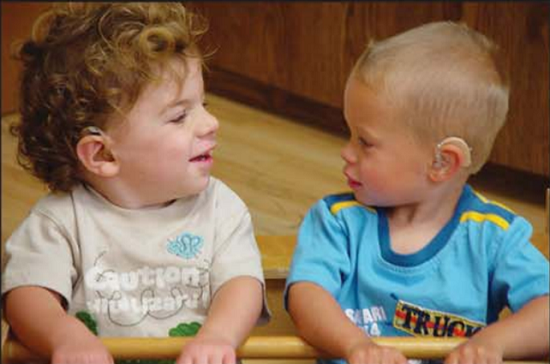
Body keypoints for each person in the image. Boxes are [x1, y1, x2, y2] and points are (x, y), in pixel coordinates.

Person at [2, 3, 269, 364]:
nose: (210, 123)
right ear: (102, 155)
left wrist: (219, 335)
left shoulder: (222, 208)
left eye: (202, 103)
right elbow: (26, 292)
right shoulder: (61, 221)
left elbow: (242, 284)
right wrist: (63, 336)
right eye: (179, 116)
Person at [284, 21, 549, 364]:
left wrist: (494, 342)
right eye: (349, 134)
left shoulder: (492, 237)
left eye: (364, 141)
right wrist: (355, 346)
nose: (346, 152)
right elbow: (306, 296)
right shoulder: (338, 222)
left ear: (442, 162)